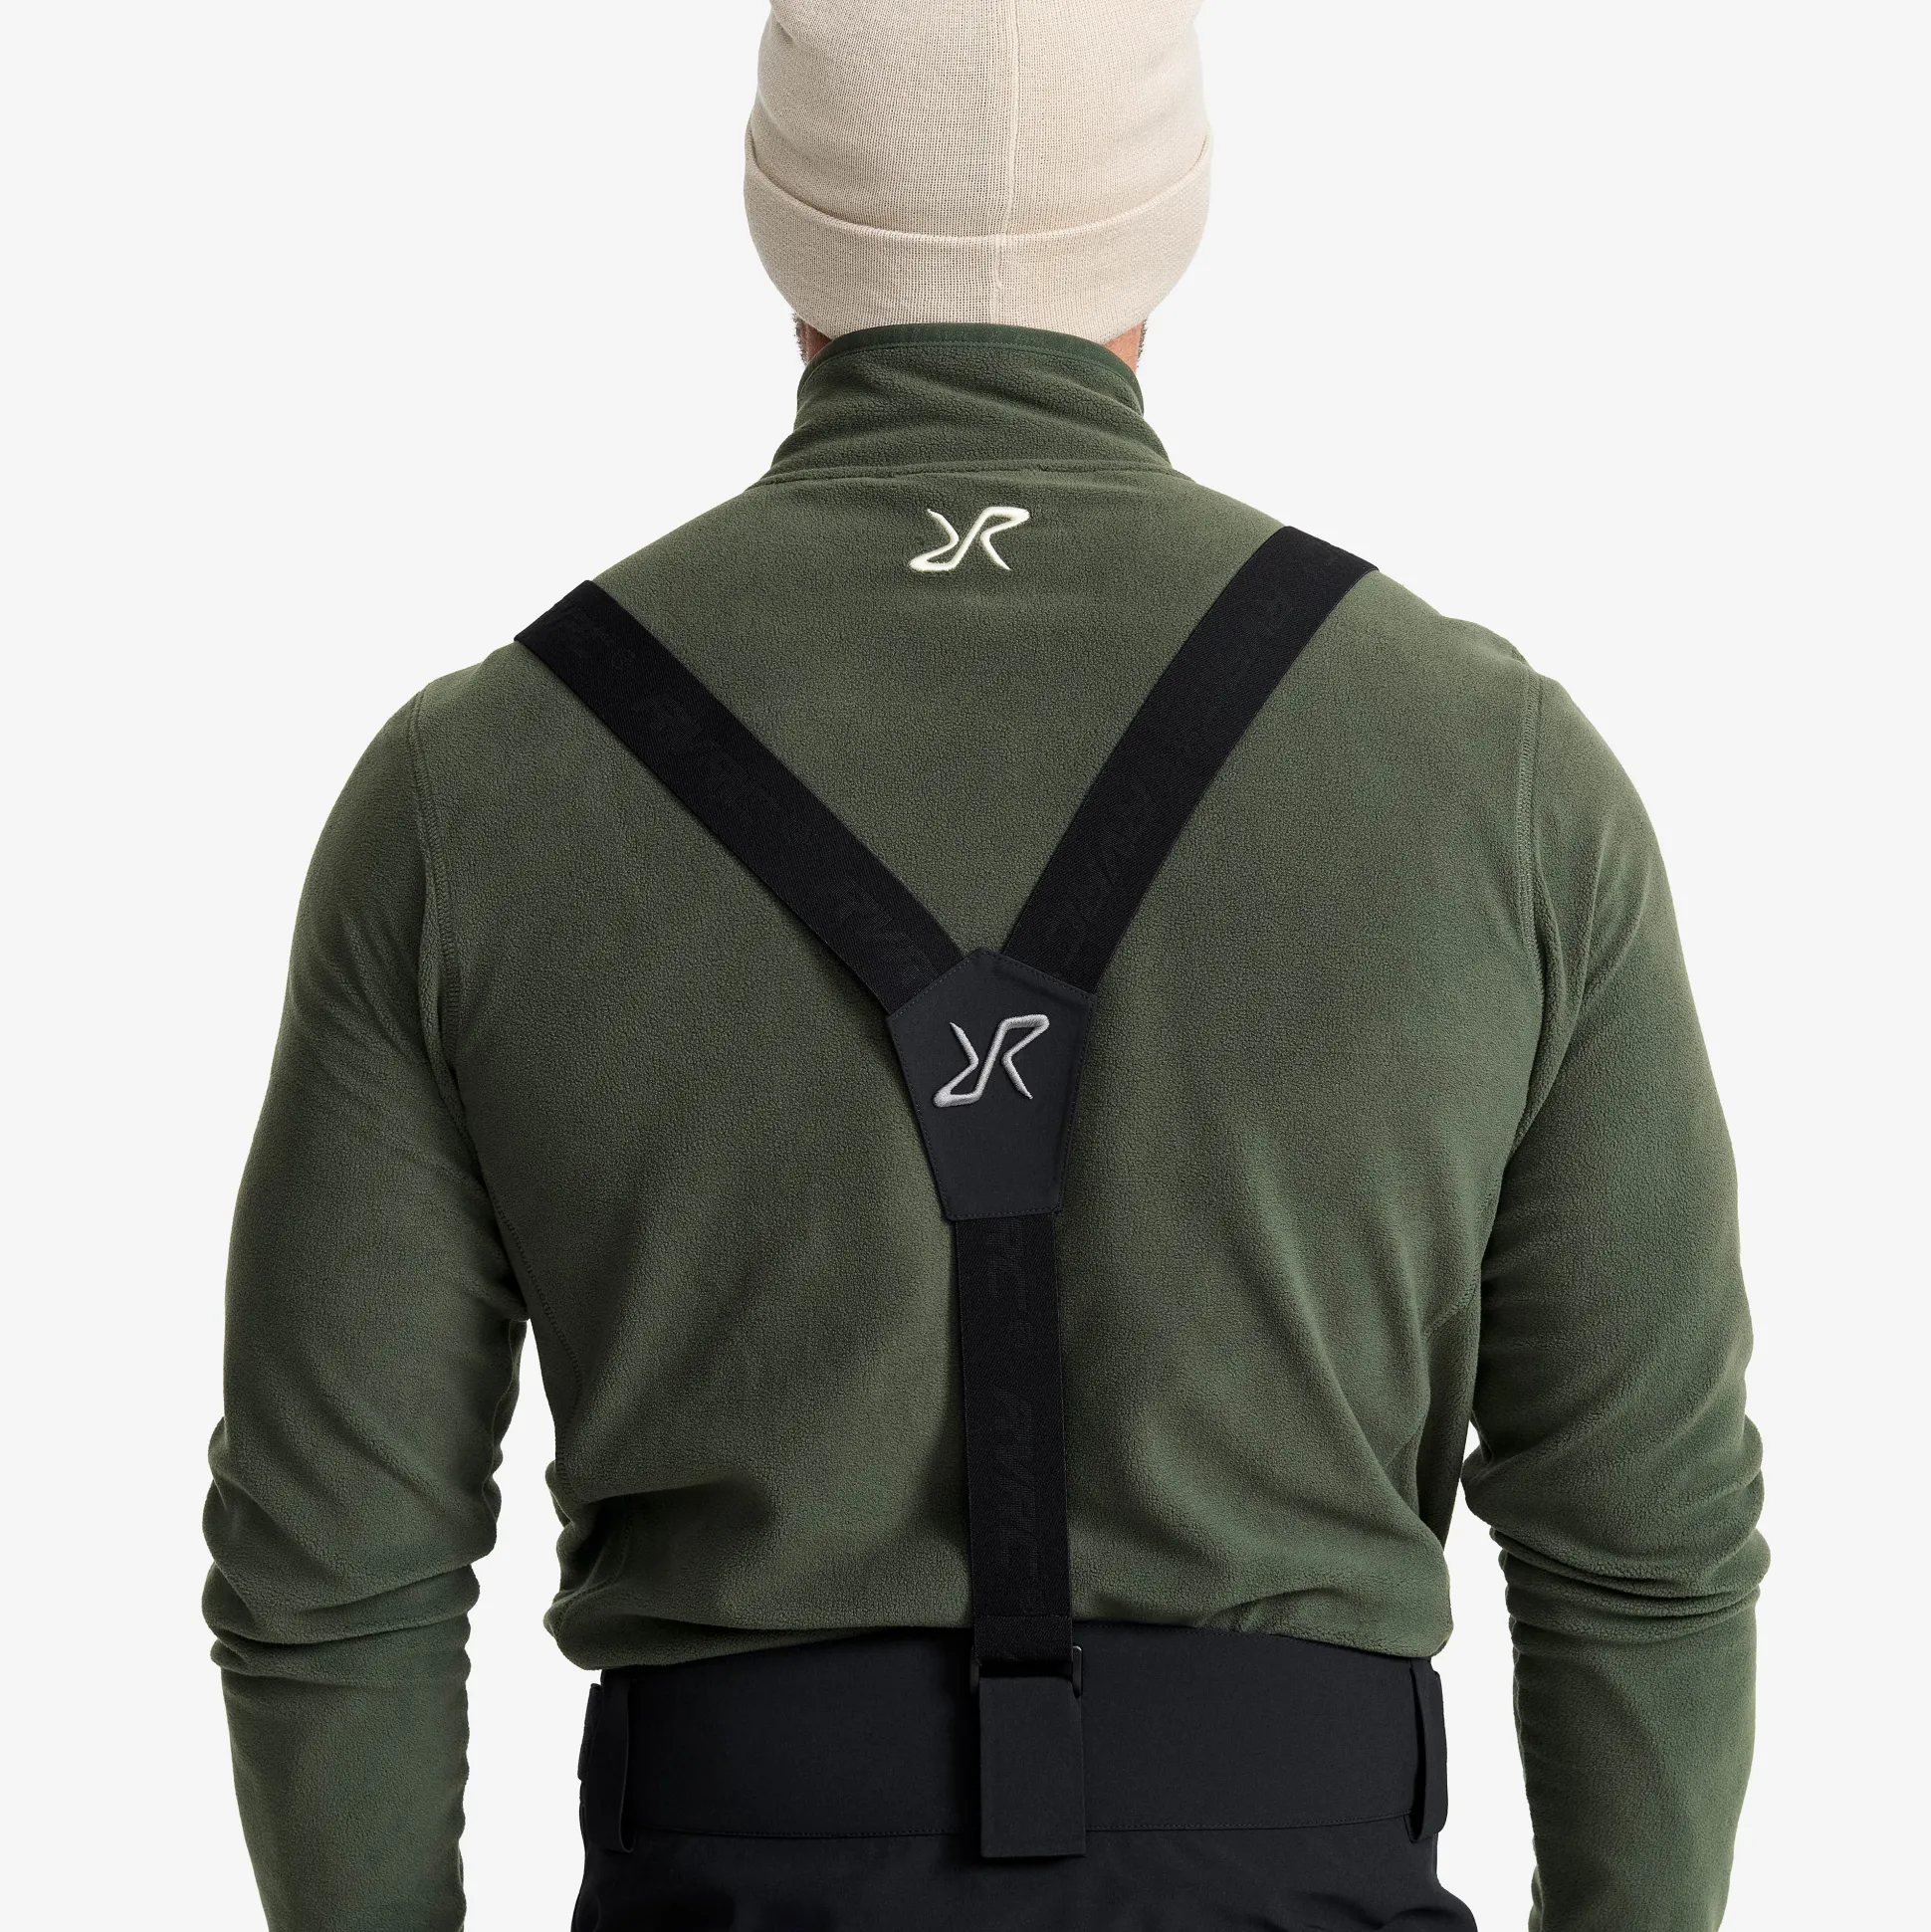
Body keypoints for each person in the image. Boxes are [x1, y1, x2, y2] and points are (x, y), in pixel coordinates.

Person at [202, 4, 1768, 1927]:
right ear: (1173, 220)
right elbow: (1647, 1541)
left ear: (782, 226)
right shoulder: (1496, 774)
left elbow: (329, 1564)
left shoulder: (474, 789)